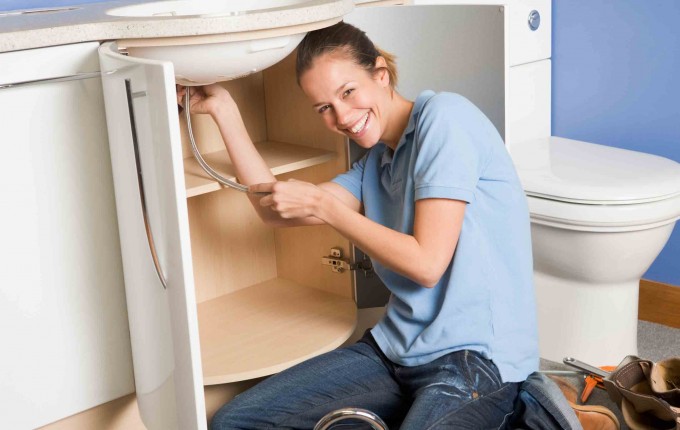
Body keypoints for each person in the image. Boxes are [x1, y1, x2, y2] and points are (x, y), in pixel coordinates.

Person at [178, 21, 539, 430]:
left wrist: (326, 207)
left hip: (475, 360)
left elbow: (427, 264)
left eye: (347, 92)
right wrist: (225, 110)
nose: (342, 117)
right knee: (237, 421)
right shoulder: (375, 165)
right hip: (395, 350)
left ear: (380, 74)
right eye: (324, 108)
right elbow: (274, 211)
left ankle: (527, 411)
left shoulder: (446, 118)